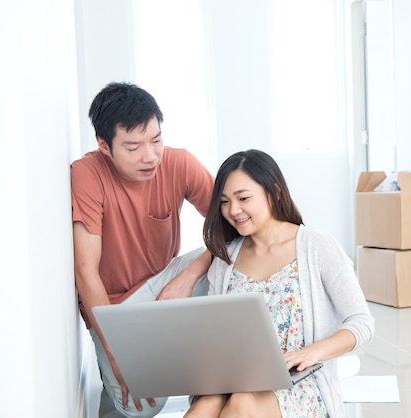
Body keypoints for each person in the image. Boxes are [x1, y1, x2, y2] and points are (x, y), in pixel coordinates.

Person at [185, 149, 374, 418]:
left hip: (298, 384)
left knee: (242, 403)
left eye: (243, 198)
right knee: (206, 405)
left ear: (273, 192)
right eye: (225, 202)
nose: (233, 210)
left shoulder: (316, 247)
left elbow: (362, 324)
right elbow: (218, 334)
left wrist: (312, 352)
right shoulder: (225, 259)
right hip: (236, 378)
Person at [71, 82, 215, 417]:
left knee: (238, 248)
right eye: (133, 147)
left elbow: (232, 226)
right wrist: (118, 353)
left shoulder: (179, 163)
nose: (150, 156)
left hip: (166, 293)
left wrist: (187, 277)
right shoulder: (87, 174)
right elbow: (85, 272)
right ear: (104, 146)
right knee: (138, 409)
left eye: (156, 139)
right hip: (117, 308)